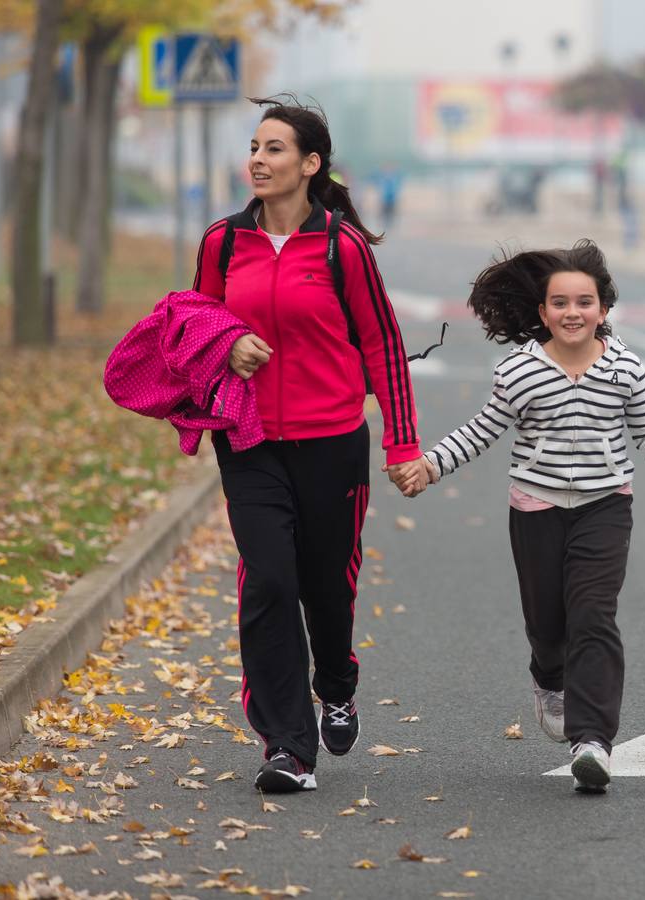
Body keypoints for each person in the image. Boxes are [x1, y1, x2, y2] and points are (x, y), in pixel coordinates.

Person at [395, 240, 645, 794]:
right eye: (561, 303)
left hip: (605, 507)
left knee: (593, 616)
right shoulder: (519, 371)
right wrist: (430, 467)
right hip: (535, 509)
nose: (574, 313)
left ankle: (592, 741)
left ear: (604, 310)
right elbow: (482, 430)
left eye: (585, 302)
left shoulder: (625, 368)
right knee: (547, 624)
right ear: (543, 313)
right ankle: (548, 677)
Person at [191, 95, 427, 794]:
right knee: (269, 580)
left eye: (273, 149)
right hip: (249, 440)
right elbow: (193, 325)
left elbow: (381, 342)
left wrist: (402, 444)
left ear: (310, 163)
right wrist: (227, 345)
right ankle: (287, 747)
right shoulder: (222, 243)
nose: (257, 161)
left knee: (327, 586)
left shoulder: (339, 245)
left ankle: (338, 683)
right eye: (254, 148)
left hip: (332, 441)